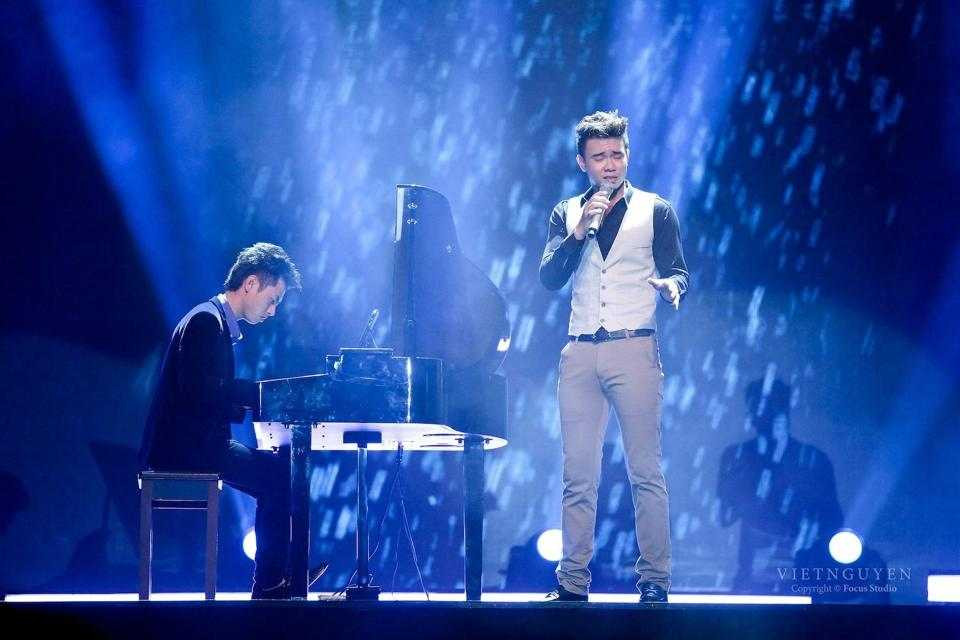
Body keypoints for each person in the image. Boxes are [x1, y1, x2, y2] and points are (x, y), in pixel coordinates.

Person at [539, 110, 689, 603]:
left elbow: (678, 270)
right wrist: (579, 229)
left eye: (617, 154)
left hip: (633, 346)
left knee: (645, 472)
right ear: (581, 162)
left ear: (628, 155)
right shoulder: (566, 212)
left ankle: (655, 581)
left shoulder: (656, 209)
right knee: (578, 476)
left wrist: (672, 286)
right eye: (599, 156)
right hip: (580, 351)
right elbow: (549, 277)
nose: (610, 164)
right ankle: (572, 582)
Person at [139, 242, 321, 599]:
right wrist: (259, 396)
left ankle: (277, 577)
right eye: (273, 300)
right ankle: (271, 583)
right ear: (250, 284)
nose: (273, 311)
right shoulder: (206, 322)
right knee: (280, 476)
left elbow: (208, 390)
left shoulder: (212, 321)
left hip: (195, 442)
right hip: (185, 448)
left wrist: (253, 400)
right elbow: (199, 390)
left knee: (279, 473)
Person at [717, 378, 843, 593]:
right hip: (754, 581)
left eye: (766, 409)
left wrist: (805, 529)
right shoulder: (737, 457)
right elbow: (725, 516)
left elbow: (833, 521)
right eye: (756, 410)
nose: (758, 417)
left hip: (798, 579)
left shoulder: (813, 460)